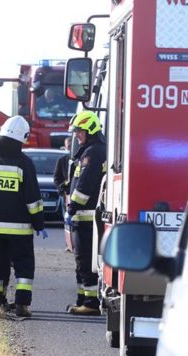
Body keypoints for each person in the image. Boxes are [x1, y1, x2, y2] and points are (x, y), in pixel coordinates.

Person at [0, 116, 47, 318]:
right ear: (23, 138)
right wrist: (39, 222)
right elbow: (33, 199)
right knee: (24, 266)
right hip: (19, 230)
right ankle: (22, 305)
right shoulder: (24, 163)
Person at [66, 110, 106, 316]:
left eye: (79, 131)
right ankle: (83, 299)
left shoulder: (92, 153)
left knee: (85, 261)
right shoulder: (91, 151)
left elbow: (85, 185)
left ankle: (90, 302)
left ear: (90, 130)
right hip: (85, 217)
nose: (76, 135)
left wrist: (72, 205)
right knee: (81, 261)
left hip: (86, 217)